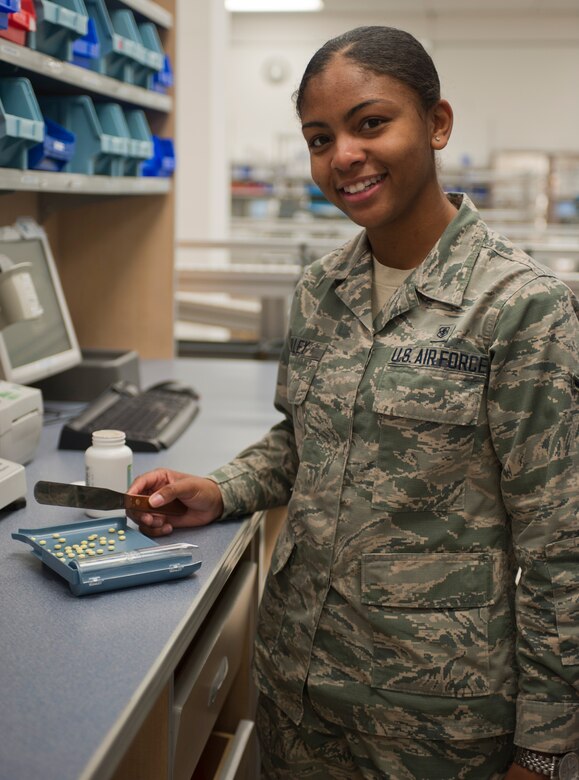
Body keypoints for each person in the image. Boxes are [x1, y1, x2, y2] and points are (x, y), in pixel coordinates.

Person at [128, 26, 579, 780]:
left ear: (436, 124)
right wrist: (218, 489)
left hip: (437, 723)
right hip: (299, 692)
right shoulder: (321, 290)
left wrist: (542, 749)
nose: (342, 156)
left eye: (370, 123)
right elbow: (299, 443)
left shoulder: (521, 308)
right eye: (318, 137)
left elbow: (559, 545)